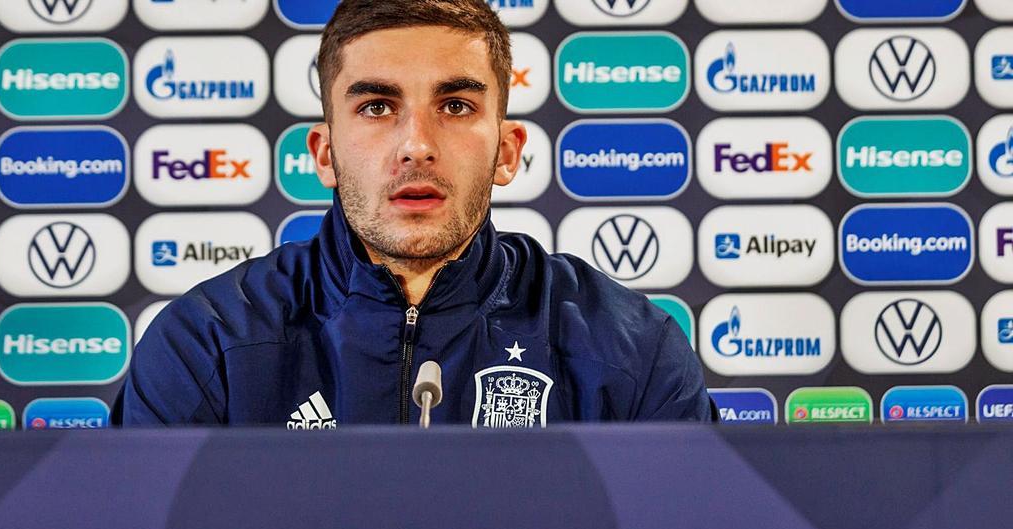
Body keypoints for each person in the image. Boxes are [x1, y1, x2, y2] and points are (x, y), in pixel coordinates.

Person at [114, 0, 714, 427]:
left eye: (455, 105)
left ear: (506, 153)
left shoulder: (630, 350)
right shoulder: (206, 344)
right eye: (377, 106)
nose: (416, 144)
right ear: (325, 154)